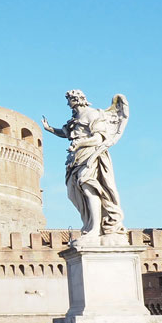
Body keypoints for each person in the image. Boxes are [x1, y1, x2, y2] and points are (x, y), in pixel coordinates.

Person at [41, 89, 129, 242]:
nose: (68, 103)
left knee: (88, 186)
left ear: (77, 99)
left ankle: (95, 229)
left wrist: (80, 143)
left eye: (69, 99)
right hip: (76, 157)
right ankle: (89, 225)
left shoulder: (92, 114)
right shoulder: (75, 117)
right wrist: (50, 129)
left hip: (92, 155)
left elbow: (98, 138)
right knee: (74, 191)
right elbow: (67, 134)